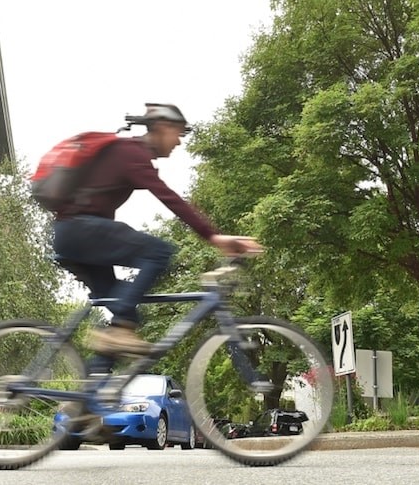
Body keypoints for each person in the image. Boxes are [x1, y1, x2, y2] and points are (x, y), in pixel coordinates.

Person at [52, 103, 262, 365]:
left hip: (75, 237)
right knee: (159, 252)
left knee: (125, 312)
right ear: (163, 128)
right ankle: (119, 329)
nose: (179, 143)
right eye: (178, 134)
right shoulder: (131, 152)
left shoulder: (129, 154)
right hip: (79, 231)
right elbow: (169, 197)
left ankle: (91, 396)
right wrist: (213, 236)